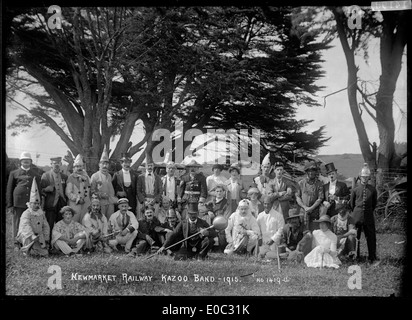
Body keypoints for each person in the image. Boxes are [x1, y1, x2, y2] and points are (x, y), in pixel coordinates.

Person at [7, 151, 42, 251]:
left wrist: (38, 204)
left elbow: (38, 190)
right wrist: (10, 205)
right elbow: (9, 190)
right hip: (18, 202)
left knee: (29, 223)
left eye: (28, 160)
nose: (26, 162)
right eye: (24, 160)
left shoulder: (36, 174)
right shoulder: (14, 173)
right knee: (17, 223)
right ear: (20, 162)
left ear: (30, 162)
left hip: (30, 204)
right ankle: (16, 243)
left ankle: (27, 243)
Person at [350, 163, 379, 265]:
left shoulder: (373, 189)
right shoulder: (355, 189)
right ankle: (355, 256)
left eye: (366, 177)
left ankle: (372, 257)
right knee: (355, 236)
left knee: (370, 237)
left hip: (368, 216)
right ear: (360, 176)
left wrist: (368, 211)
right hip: (356, 216)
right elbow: (352, 204)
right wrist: (357, 212)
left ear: (369, 177)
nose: (365, 179)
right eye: (363, 176)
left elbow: (374, 203)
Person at [16, 179, 50, 257]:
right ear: (30, 204)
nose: (36, 205)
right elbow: (25, 226)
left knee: (45, 253)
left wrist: (46, 237)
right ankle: (26, 249)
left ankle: (34, 250)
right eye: (34, 203)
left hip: (38, 236)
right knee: (26, 237)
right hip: (28, 235)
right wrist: (32, 235)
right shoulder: (26, 213)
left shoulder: (41, 213)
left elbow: (45, 226)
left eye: (38, 203)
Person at [40, 156, 68, 243]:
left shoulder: (65, 176)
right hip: (51, 204)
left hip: (62, 204)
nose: (56, 165)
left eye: (58, 163)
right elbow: (40, 190)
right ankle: (48, 244)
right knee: (49, 225)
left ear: (61, 164)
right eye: (54, 163)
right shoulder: (46, 175)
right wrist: (46, 189)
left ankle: (60, 244)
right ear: (51, 164)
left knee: (61, 225)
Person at [296, 161, 324, 232]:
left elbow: (320, 198)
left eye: (313, 170)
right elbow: (298, 197)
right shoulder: (301, 183)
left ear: (316, 172)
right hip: (303, 212)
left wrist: (311, 208)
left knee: (314, 232)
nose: (311, 173)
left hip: (315, 213)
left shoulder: (319, 184)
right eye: (309, 171)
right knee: (302, 232)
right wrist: (304, 207)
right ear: (307, 172)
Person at [90, 146, 117, 220]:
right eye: (103, 164)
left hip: (110, 202)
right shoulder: (95, 176)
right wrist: (101, 195)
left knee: (110, 220)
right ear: (99, 164)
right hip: (100, 202)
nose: (105, 166)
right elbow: (91, 191)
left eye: (106, 164)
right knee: (101, 220)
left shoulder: (109, 176)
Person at [256, 195, 285, 260]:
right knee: (263, 255)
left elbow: (280, 230)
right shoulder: (260, 216)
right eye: (265, 204)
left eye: (268, 204)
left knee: (271, 256)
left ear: (272, 204)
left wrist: (273, 239)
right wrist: (260, 238)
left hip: (274, 243)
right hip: (263, 243)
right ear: (263, 204)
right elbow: (257, 229)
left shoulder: (278, 216)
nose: (266, 206)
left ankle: (276, 256)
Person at [66, 154, 91, 224]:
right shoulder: (71, 177)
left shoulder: (87, 177)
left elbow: (90, 191)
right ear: (74, 167)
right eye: (77, 166)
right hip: (75, 205)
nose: (79, 168)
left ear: (83, 167)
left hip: (86, 205)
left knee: (85, 223)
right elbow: (68, 193)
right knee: (74, 223)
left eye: (80, 166)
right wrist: (77, 199)